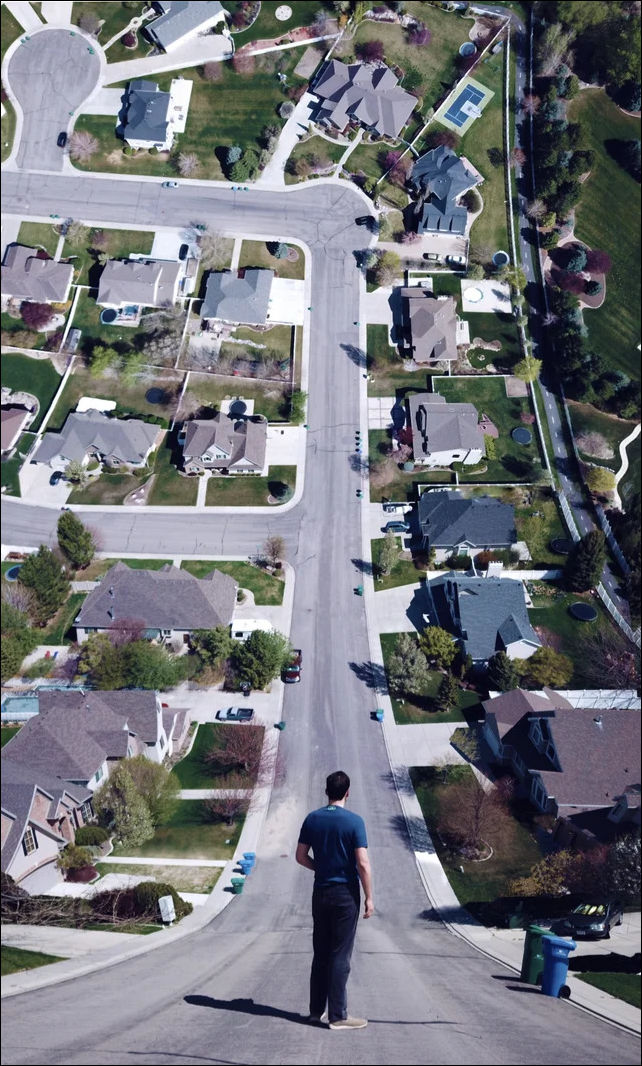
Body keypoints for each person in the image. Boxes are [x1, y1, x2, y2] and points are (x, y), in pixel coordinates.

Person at [296, 770, 374, 1030]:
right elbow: (362, 864)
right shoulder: (354, 822)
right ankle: (338, 1016)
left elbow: (300, 856)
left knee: (320, 952)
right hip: (345, 895)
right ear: (347, 793)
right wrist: (369, 897)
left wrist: (320, 868)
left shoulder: (312, 819)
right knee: (340, 954)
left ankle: (315, 1011)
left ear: (326, 791)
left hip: (320, 893)